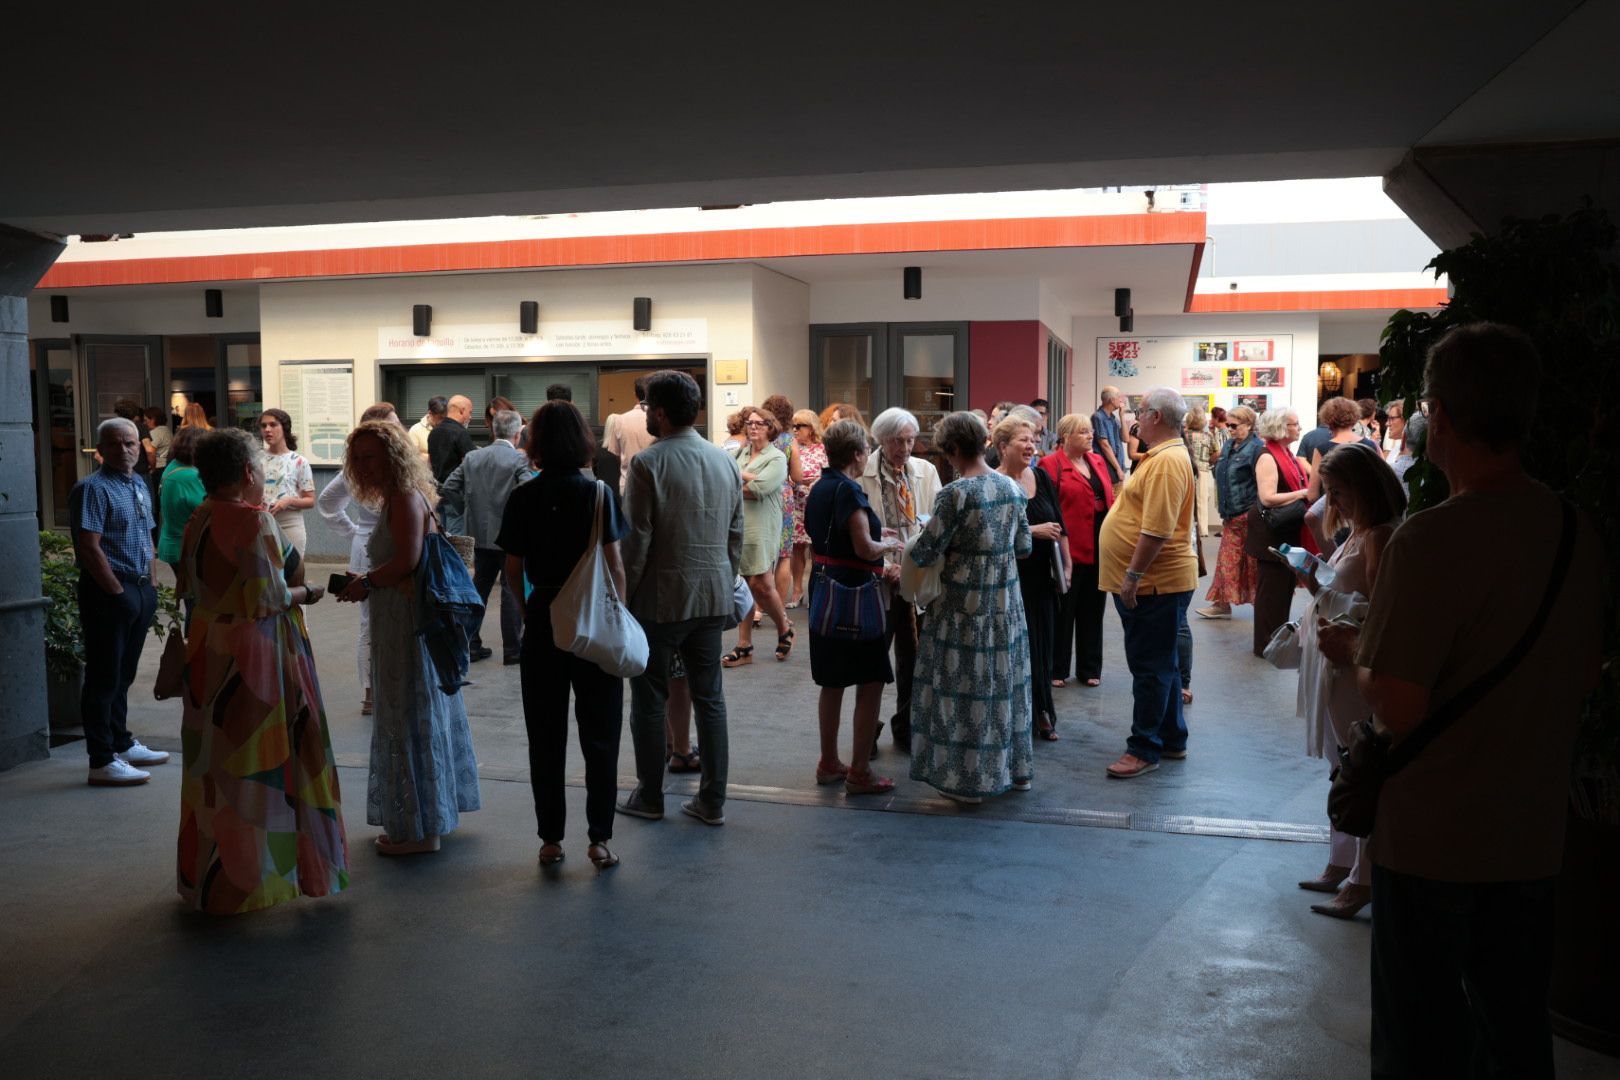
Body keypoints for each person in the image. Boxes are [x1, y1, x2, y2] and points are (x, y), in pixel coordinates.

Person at [1317, 324, 1603, 1077]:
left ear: (1439, 417)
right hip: (1533, 834)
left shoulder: (1429, 541)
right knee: (1513, 1030)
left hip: (1435, 839)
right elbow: (1580, 678)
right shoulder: (1576, 531)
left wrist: (1359, 657)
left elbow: (1400, 705)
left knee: (1421, 1039)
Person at [176, 428, 347, 913]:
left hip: (209, 648)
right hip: (256, 656)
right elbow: (268, 596)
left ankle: (213, 875)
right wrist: (310, 594)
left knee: (213, 763)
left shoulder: (199, 516)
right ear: (249, 473)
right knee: (261, 763)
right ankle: (258, 879)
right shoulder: (253, 522)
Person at [335, 419, 481, 854]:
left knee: (406, 713)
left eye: (369, 457)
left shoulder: (401, 498)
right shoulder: (403, 496)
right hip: (404, 616)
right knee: (419, 711)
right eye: (357, 458)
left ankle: (419, 831)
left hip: (404, 621)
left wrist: (365, 582)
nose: (362, 465)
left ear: (392, 457)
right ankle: (432, 816)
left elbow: (407, 561)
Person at [498, 401, 628, 870]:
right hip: (593, 622)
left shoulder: (523, 496)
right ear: (582, 442)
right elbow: (614, 566)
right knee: (601, 733)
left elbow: (512, 571)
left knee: (545, 733)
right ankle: (599, 840)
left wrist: (531, 608)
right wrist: (619, 613)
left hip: (544, 621)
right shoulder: (598, 495)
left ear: (534, 445)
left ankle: (551, 839)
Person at [617, 370, 744, 827]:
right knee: (710, 698)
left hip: (660, 599)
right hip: (712, 596)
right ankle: (712, 801)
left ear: (661, 412)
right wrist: (726, 583)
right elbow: (735, 535)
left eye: (649, 406)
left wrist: (622, 600)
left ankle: (650, 796)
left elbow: (636, 543)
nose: (647, 414)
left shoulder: (649, 464)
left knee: (649, 699)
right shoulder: (725, 460)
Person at [1292, 441, 1404, 920]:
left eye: (1340, 492)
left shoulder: (1379, 534)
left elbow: (1382, 609)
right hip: (1335, 662)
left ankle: (1361, 878)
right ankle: (1342, 862)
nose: (1333, 502)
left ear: (1365, 489)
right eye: (1330, 492)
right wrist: (1313, 580)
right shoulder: (1360, 531)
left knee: (1358, 768)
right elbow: (1346, 589)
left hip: (1352, 665)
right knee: (1342, 767)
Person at [907, 412, 1032, 803]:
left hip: (964, 610)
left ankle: (970, 782)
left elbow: (927, 551)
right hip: (1006, 605)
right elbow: (1024, 547)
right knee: (1005, 686)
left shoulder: (956, 494)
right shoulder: (1011, 488)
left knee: (965, 689)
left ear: (955, 450)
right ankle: (1015, 770)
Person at [1097, 387, 1198, 779]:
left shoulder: (1168, 461)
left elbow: (1157, 530)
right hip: (1156, 582)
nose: (1135, 418)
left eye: (1140, 411)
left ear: (1156, 417)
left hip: (1154, 583)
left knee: (1150, 667)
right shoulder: (1161, 456)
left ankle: (1144, 747)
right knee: (1163, 664)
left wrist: (1132, 577)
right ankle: (1171, 738)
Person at [805, 419, 906, 795]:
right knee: (871, 679)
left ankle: (828, 761)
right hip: (856, 595)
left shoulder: (819, 487)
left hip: (824, 591)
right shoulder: (849, 491)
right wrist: (891, 545)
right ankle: (860, 770)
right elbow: (864, 547)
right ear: (857, 454)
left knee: (831, 681)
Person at [70, 417, 168, 786]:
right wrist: (116, 592)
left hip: (140, 589)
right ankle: (101, 759)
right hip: (110, 592)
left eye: (130, 443)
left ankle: (121, 742)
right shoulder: (92, 489)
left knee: (124, 674)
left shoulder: (140, 484)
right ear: (101, 450)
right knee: (103, 676)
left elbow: (147, 537)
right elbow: (88, 546)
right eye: (115, 444)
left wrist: (153, 585)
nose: (124, 450)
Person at [857, 407, 942, 753]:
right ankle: (868, 731)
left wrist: (910, 566)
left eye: (910, 440)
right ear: (881, 439)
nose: (905, 448)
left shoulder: (925, 471)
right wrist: (886, 565)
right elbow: (858, 530)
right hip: (876, 581)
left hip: (915, 580)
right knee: (873, 662)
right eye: (897, 441)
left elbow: (935, 523)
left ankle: (906, 727)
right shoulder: (863, 472)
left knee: (914, 660)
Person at [318, 402, 399, 715]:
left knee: (373, 621)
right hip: (374, 545)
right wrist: (354, 532)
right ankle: (372, 692)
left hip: (366, 543)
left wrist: (355, 532)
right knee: (372, 622)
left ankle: (372, 692)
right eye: (393, 425)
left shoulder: (359, 467)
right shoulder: (376, 467)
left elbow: (328, 503)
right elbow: (327, 502)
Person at [994, 411, 1068, 741]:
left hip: (1041, 578)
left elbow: (1059, 525)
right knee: (1015, 648)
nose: (1031, 445)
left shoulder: (1042, 478)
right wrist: (1031, 530)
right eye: (1024, 440)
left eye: (1034, 440)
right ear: (1001, 446)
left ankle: (1041, 710)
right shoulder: (994, 484)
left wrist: (1066, 565)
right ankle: (1013, 713)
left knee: (1042, 644)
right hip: (1009, 578)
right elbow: (989, 535)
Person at [440, 409, 530, 665]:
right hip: (510, 536)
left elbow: (448, 487)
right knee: (511, 591)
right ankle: (513, 649)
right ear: (517, 433)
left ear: (493, 431)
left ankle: (472, 644)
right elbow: (527, 489)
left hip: (478, 534)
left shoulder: (472, 457)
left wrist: (464, 510)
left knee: (478, 588)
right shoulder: (518, 461)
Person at [1040, 413, 1114, 688]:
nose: (1089, 435)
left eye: (1090, 431)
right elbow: (1047, 506)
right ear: (1066, 436)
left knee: (1093, 610)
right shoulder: (1050, 465)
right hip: (1067, 546)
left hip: (1098, 545)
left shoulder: (1097, 461)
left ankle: (1090, 668)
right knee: (1063, 611)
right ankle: (1057, 668)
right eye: (1082, 432)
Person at [722, 405, 793, 666]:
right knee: (741, 583)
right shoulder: (739, 453)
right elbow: (726, 483)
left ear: (769, 428)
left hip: (762, 525)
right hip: (737, 525)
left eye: (759, 423)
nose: (753, 427)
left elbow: (761, 488)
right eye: (749, 423)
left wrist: (739, 478)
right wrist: (747, 480)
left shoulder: (776, 457)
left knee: (760, 583)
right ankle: (744, 644)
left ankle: (784, 627)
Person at [1252, 407, 1314, 656]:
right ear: (1280, 427)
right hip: (1272, 533)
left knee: (1282, 591)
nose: (1299, 428)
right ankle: (1265, 645)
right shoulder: (1268, 456)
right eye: (1294, 424)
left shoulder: (1287, 454)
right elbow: (1267, 498)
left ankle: (1274, 642)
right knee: (1272, 594)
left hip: (1284, 531)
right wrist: (1303, 494)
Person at [1197, 405, 1260, 620]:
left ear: (1249, 425)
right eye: (1229, 425)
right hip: (1231, 515)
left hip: (1249, 515)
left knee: (1253, 563)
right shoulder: (1229, 446)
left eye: (1234, 425)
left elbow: (1262, 482)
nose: (1230, 429)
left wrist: (1254, 510)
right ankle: (1221, 604)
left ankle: (1261, 604)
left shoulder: (1257, 448)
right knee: (1227, 560)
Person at [155, 425, 206, 617]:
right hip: (186, 548)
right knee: (197, 605)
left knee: (193, 602)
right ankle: (192, 645)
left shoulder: (174, 466)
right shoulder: (189, 475)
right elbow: (210, 506)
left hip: (175, 544)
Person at [762, 394, 805, 612]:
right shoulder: (789, 440)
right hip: (783, 496)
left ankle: (758, 606)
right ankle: (776, 606)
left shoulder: (760, 436)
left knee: (762, 554)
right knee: (784, 554)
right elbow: (797, 476)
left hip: (761, 496)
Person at [258, 407, 315, 555]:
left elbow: (310, 501)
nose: (267, 429)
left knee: (292, 573)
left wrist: (288, 501)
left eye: (273, 424)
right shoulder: (255, 459)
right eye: (263, 426)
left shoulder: (299, 461)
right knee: (264, 573)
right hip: (261, 522)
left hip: (290, 524)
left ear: (285, 428)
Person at [787, 408, 827, 608]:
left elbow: (830, 473)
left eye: (799, 426)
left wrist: (816, 480)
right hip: (796, 505)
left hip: (816, 506)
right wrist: (793, 480)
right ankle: (796, 590)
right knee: (797, 549)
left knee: (817, 548)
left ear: (811, 428)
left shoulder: (823, 448)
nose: (794, 430)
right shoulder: (792, 449)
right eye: (793, 426)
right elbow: (784, 474)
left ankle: (816, 591)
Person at [1306, 396, 1378, 501]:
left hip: (1334, 510)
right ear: (1354, 418)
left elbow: (1312, 496)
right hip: (1365, 509)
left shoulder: (1321, 449)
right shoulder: (1371, 445)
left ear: (1328, 422)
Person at [603, 375, 655, 494]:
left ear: (635, 394)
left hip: (628, 483)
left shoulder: (620, 420)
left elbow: (617, 454)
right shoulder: (661, 419)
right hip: (656, 485)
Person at [1185, 409, 1221, 536]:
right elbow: (1217, 453)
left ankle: (1186, 529)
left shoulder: (1184, 435)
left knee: (1185, 500)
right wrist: (1209, 461)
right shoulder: (1208, 435)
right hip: (1202, 470)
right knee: (1202, 500)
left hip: (1186, 469)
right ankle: (1203, 530)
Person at [428, 394, 475, 485]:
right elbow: (471, 464)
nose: (470, 417)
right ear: (462, 411)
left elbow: (430, 462)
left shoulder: (433, 432)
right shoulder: (460, 433)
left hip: (437, 489)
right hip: (456, 489)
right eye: (470, 412)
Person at [1092, 387, 1127, 483]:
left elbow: (1125, 438)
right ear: (1112, 400)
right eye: (1118, 397)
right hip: (1108, 468)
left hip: (1117, 467)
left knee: (1118, 496)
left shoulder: (1114, 419)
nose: (1121, 400)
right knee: (1112, 496)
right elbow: (1104, 445)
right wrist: (1118, 469)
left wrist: (1122, 416)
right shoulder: (1098, 417)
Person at [143, 405, 172, 470]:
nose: (144, 423)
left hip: (157, 467)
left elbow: (150, 452)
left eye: (145, 420)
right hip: (167, 465)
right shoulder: (167, 430)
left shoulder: (155, 433)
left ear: (153, 420)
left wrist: (152, 469)